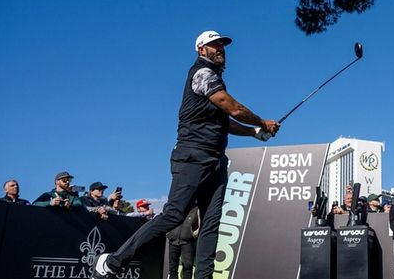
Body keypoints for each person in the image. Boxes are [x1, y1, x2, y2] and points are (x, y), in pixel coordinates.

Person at [91, 30, 280, 279]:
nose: (221, 48)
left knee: (211, 224)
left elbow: (225, 122)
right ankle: (113, 262)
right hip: (192, 156)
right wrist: (262, 122)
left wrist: (255, 132)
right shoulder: (202, 73)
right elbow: (231, 106)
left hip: (214, 160)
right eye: (214, 45)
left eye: (222, 45)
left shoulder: (214, 79)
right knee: (173, 214)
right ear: (201, 50)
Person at [166, 205, 200, 279]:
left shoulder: (196, 209)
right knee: (172, 267)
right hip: (173, 240)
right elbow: (166, 220)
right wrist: (169, 233)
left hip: (187, 241)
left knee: (188, 266)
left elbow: (199, 223)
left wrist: (193, 234)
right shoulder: (175, 206)